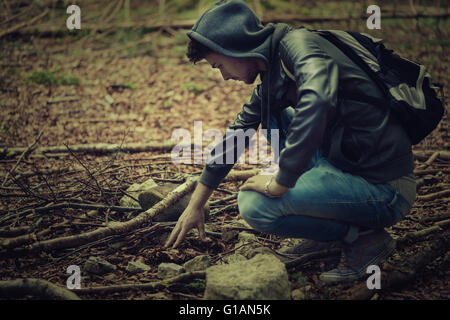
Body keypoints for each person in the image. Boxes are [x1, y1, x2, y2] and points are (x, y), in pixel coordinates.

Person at [165, 0, 417, 283]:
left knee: (254, 204)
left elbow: (318, 98)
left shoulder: (300, 45)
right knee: (273, 114)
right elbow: (238, 133)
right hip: (343, 165)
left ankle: (365, 239)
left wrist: (280, 183)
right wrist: (196, 205)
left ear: (233, 47)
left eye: (219, 65)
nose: (224, 76)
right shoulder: (272, 74)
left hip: (385, 188)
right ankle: (325, 233)